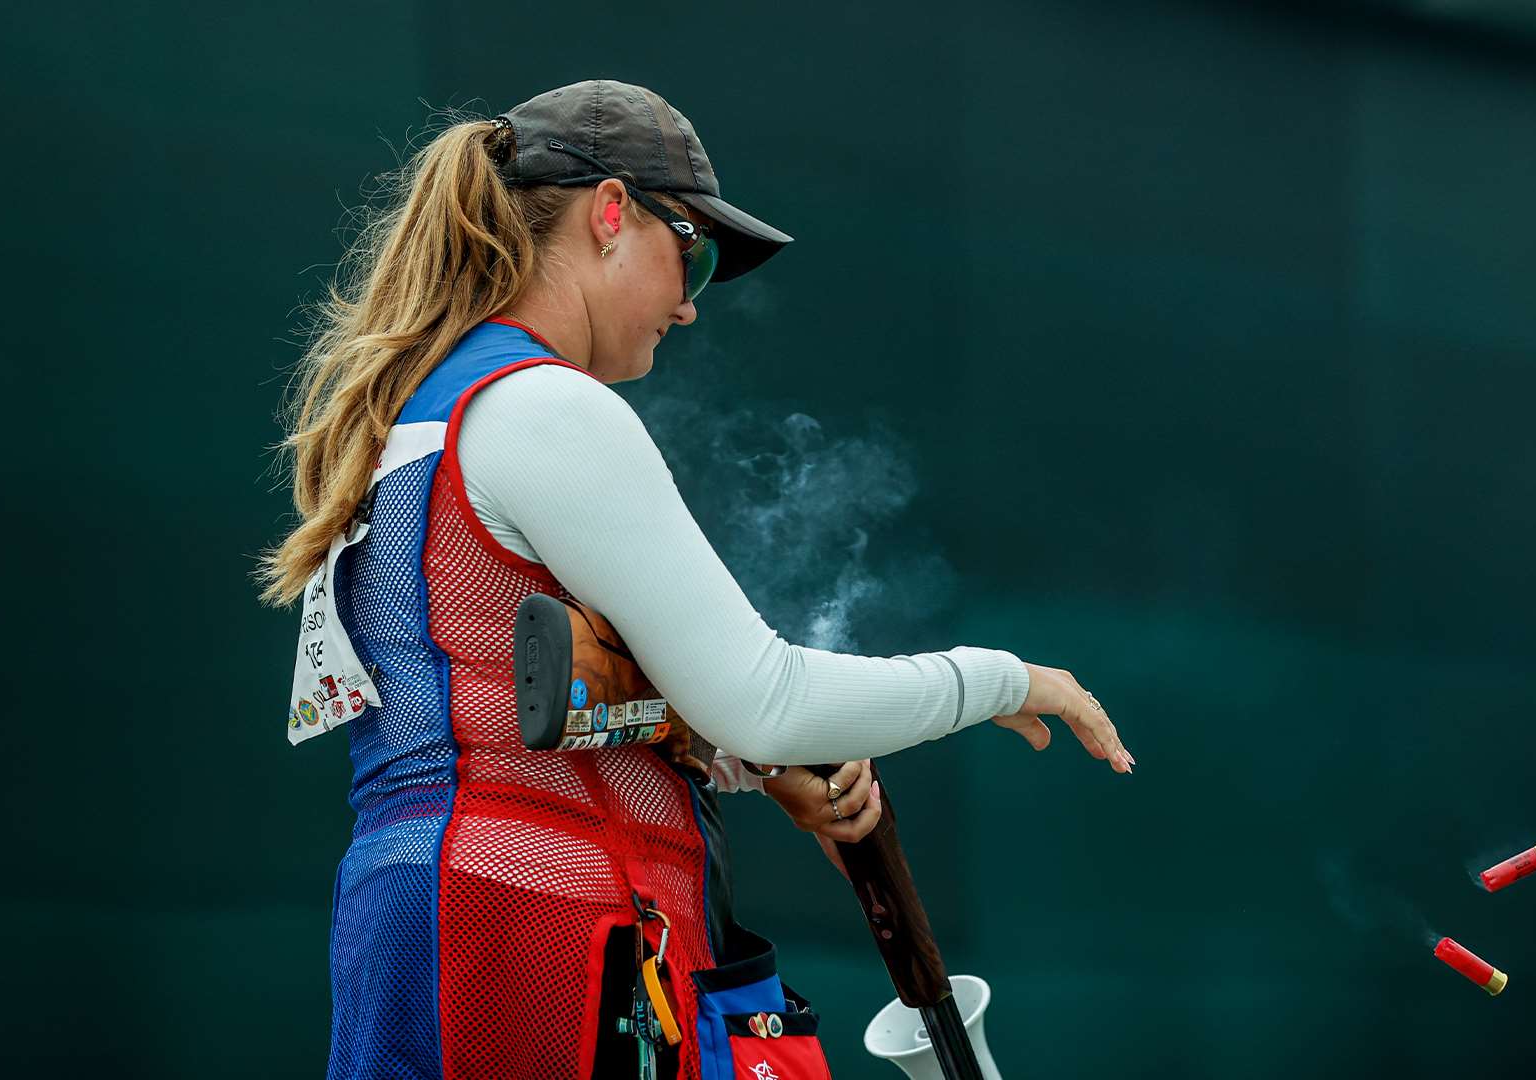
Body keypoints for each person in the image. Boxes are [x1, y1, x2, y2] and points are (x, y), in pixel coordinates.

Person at [258, 78, 1133, 1080]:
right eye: (695, 253)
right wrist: (1010, 679)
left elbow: (498, 698)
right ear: (612, 213)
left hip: (421, 916)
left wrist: (741, 765)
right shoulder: (545, 405)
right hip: (545, 923)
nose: (688, 303)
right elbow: (770, 696)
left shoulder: (417, 416)